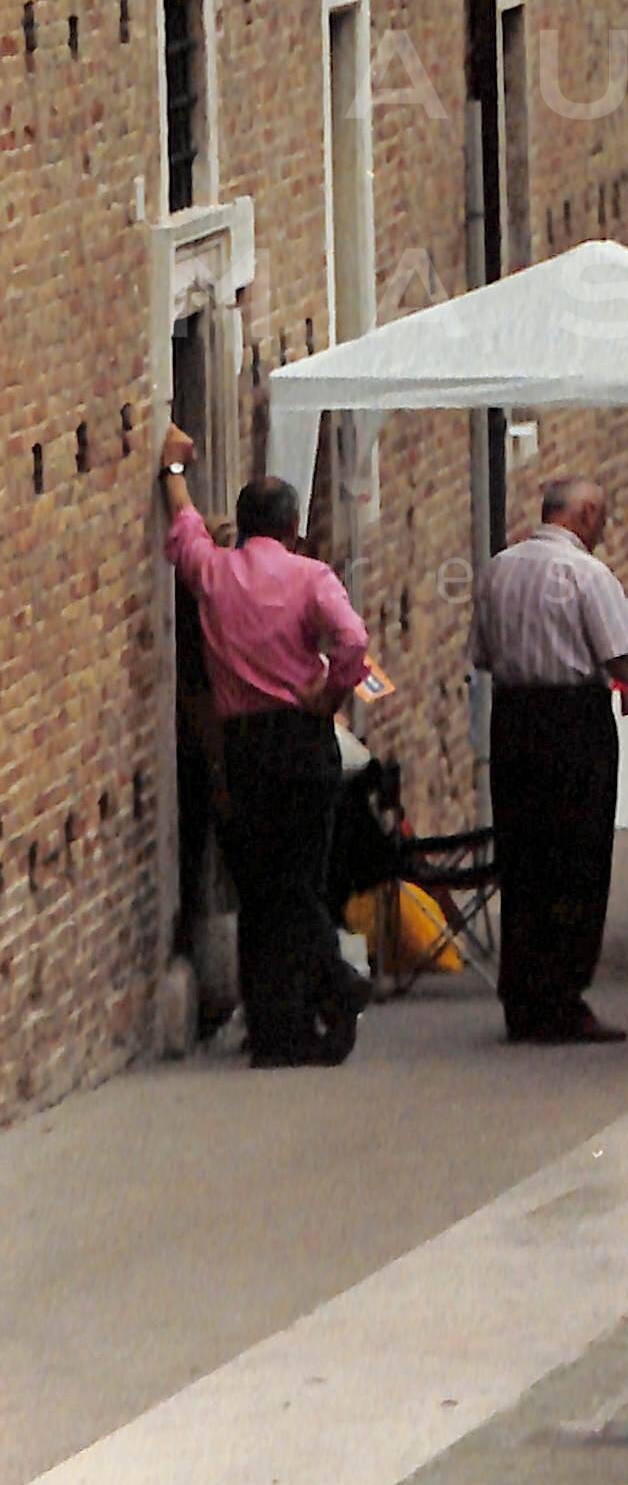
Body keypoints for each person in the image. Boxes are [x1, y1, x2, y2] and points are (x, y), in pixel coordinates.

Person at [159, 429, 369, 1069]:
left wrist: (173, 468)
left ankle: (279, 1025)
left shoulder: (215, 573)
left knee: (260, 885)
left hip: (245, 746)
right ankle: (332, 979)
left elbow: (185, 528)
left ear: (243, 523)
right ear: (293, 525)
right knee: (299, 877)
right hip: (302, 737)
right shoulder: (311, 576)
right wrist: (329, 694)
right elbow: (354, 642)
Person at [472, 475, 628, 1045]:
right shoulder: (588, 575)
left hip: (514, 717)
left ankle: (522, 993)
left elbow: (483, 655)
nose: (605, 530)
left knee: (523, 856)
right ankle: (562, 994)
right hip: (572, 720)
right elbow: (624, 662)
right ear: (585, 514)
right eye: (602, 518)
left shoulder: (496, 570)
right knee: (577, 855)